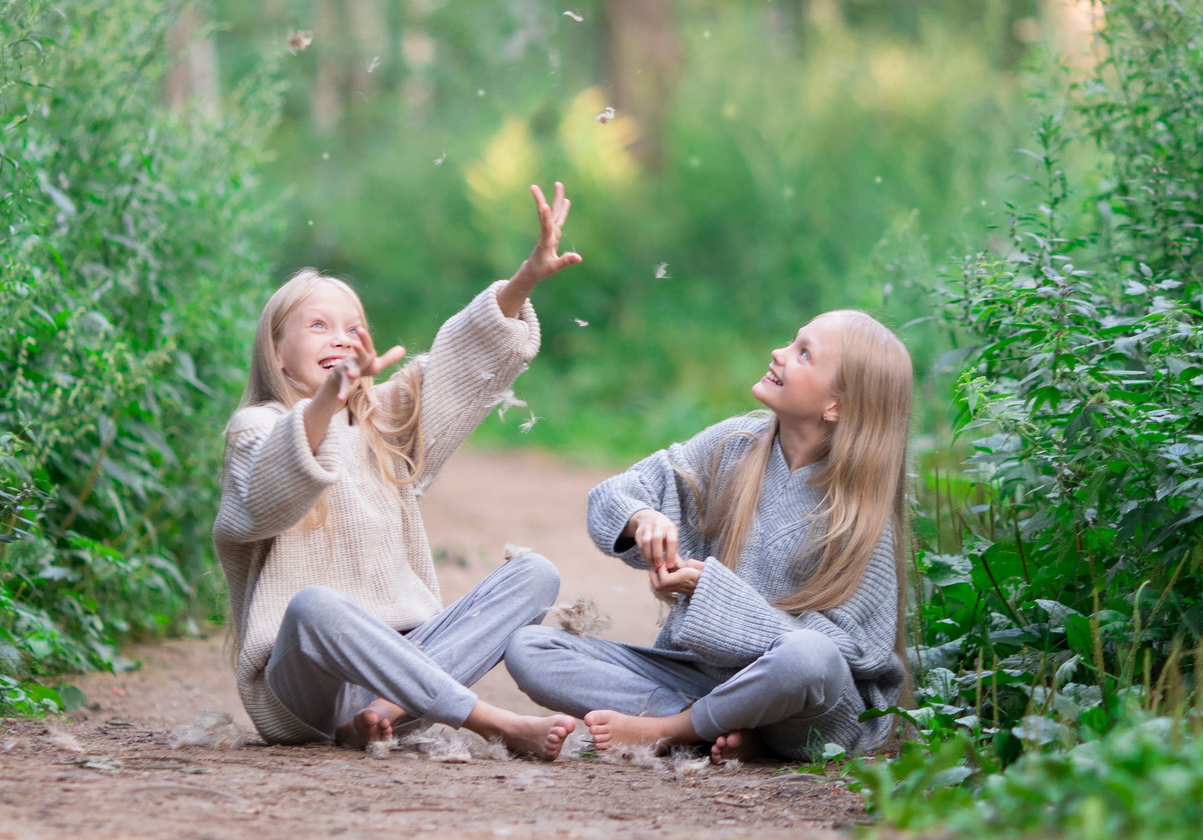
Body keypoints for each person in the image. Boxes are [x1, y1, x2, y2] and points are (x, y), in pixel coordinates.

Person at [211, 183, 584, 759]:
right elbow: (265, 496)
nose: (340, 337)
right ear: (276, 351)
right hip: (302, 692)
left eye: (352, 327)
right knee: (313, 605)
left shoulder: (384, 425)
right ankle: (489, 721)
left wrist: (526, 278)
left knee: (535, 574)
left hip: (400, 675)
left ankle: (383, 713)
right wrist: (325, 402)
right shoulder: (257, 428)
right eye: (318, 326)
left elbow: (463, 362)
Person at [506, 311, 911, 761]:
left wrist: (710, 593)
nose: (778, 353)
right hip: (701, 679)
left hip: (805, 710)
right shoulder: (735, 444)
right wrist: (642, 519)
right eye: (791, 341)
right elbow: (613, 494)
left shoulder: (864, 516)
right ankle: (726, 729)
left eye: (803, 354)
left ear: (835, 405)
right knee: (530, 648)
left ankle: (673, 728)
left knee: (808, 657)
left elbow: (845, 657)